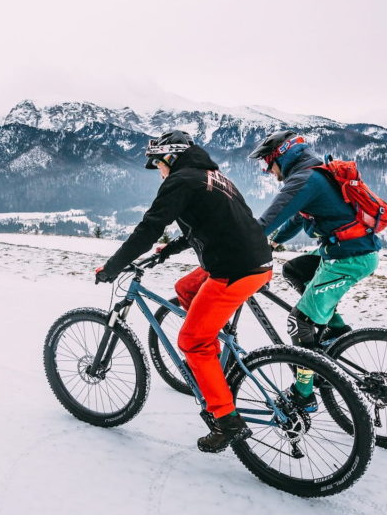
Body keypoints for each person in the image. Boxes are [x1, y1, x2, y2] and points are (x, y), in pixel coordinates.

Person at [95, 130, 274, 453]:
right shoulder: (212, 176)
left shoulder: (180, 180)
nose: (158, 171)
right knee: (185, 287)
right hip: (252, 263)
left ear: (171, 158)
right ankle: (213, 360)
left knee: (191, 340)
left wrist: (113, 266)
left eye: (158, 164)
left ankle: (226, 420)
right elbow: (206, 225)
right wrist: (168, 251)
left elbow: (149, 227)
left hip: (233, 271)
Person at [249, 131, 381, 411]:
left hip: (349, 258)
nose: (268, 171)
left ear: (279, 157)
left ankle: (303, 394)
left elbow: (269, 218)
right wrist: (274, 242)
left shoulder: (303, 179)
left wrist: (242, 243)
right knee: (295, 270)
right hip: (344, 252)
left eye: (267, 164)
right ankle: (336, 334)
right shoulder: (314, 172)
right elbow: (298, 216)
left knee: (299, 323)